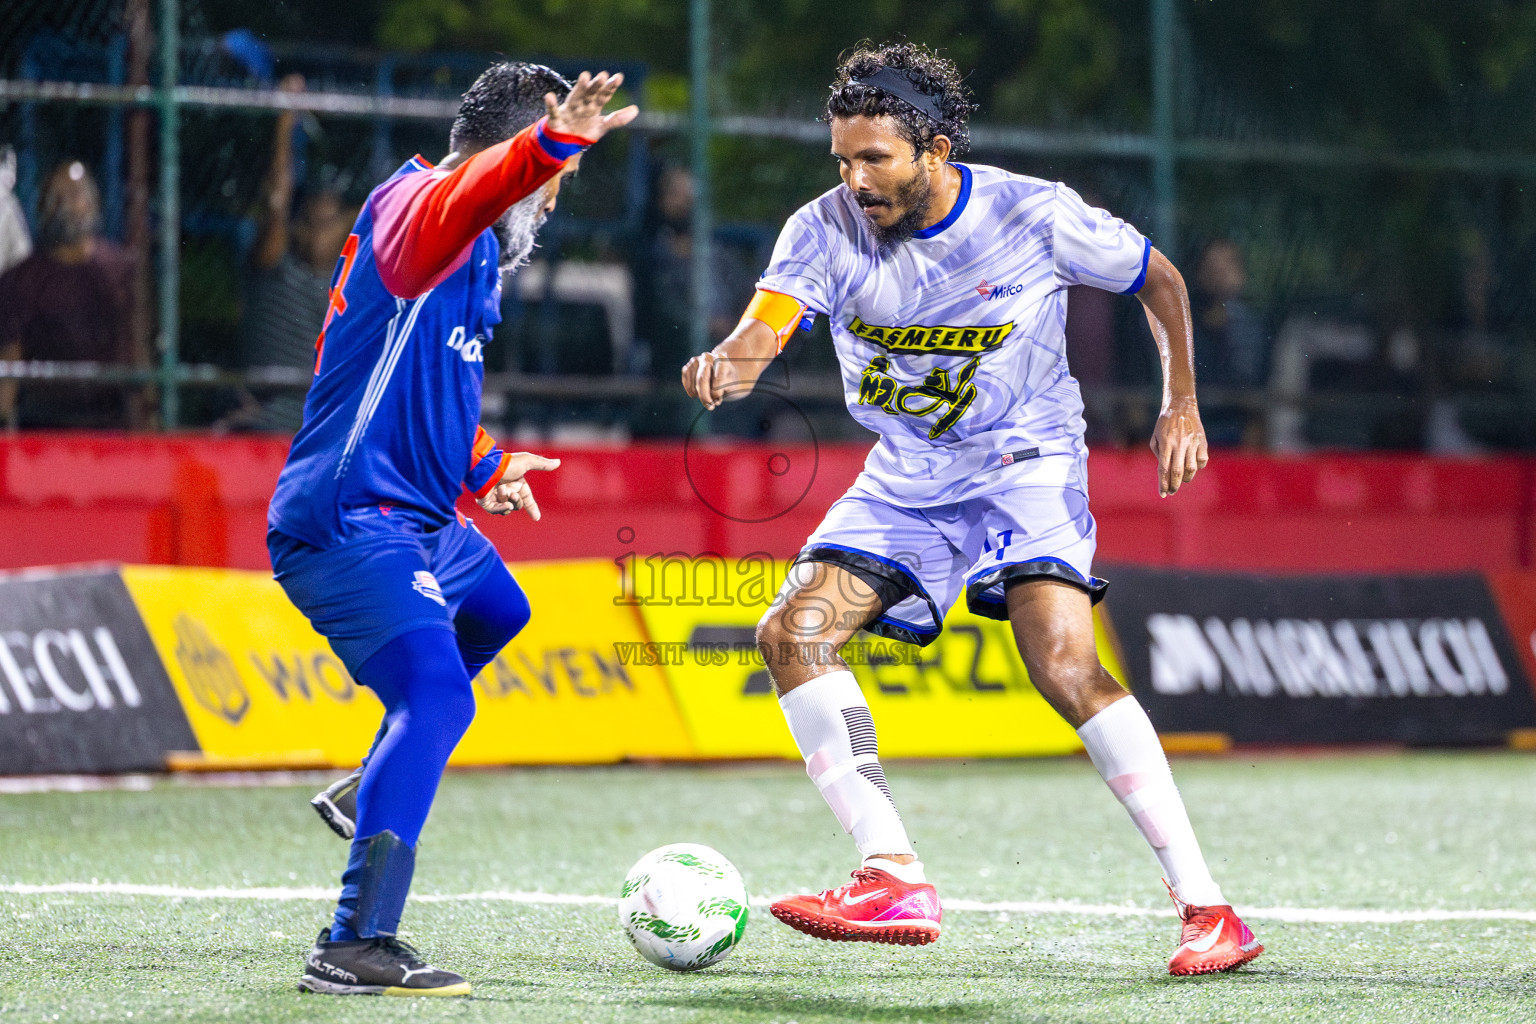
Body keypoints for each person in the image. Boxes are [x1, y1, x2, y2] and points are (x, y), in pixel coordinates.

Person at [681, 42, 1263, 976]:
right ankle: (892, 873)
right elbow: (766, 327)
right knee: (792, 633)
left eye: (875, 158)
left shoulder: (1033, 214)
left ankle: (1209, 909)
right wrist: (731, 365)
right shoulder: (823, 228)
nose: (854, 178)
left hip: (1025, 465)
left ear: (936, 150)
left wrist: (1180, 402)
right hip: (909, 475)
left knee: (1064, 666)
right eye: (842, 158)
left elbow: (1161, 282)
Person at [266, 62, 635, 996]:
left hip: (419, 517)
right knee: (437, 698)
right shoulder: (424, 211)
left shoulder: (469, 252)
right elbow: (478, 189)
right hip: (349, 521)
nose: (556, 198)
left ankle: (371, 784)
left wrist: (482, 467)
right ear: (515, 152)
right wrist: (549, 146)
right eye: (555, 175)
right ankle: (352, 945)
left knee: (499, 611)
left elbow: (411, 380)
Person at [234, 74, 356, 432]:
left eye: (330, 223)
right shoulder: (276, 269)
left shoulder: (349, 287)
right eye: (311, 222)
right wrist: (285, 122)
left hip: (324, 425)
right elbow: (277, 204)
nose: (319, 233)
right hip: (270, 417)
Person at [0, 160, 141, 429]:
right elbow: (10, 360)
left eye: (77, 196)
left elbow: (136, 351)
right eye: (57, 198)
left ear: (94, 203)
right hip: (44, 427)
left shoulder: (120, 271)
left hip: (108, 424)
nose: (69, 206)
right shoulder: (21, 280)